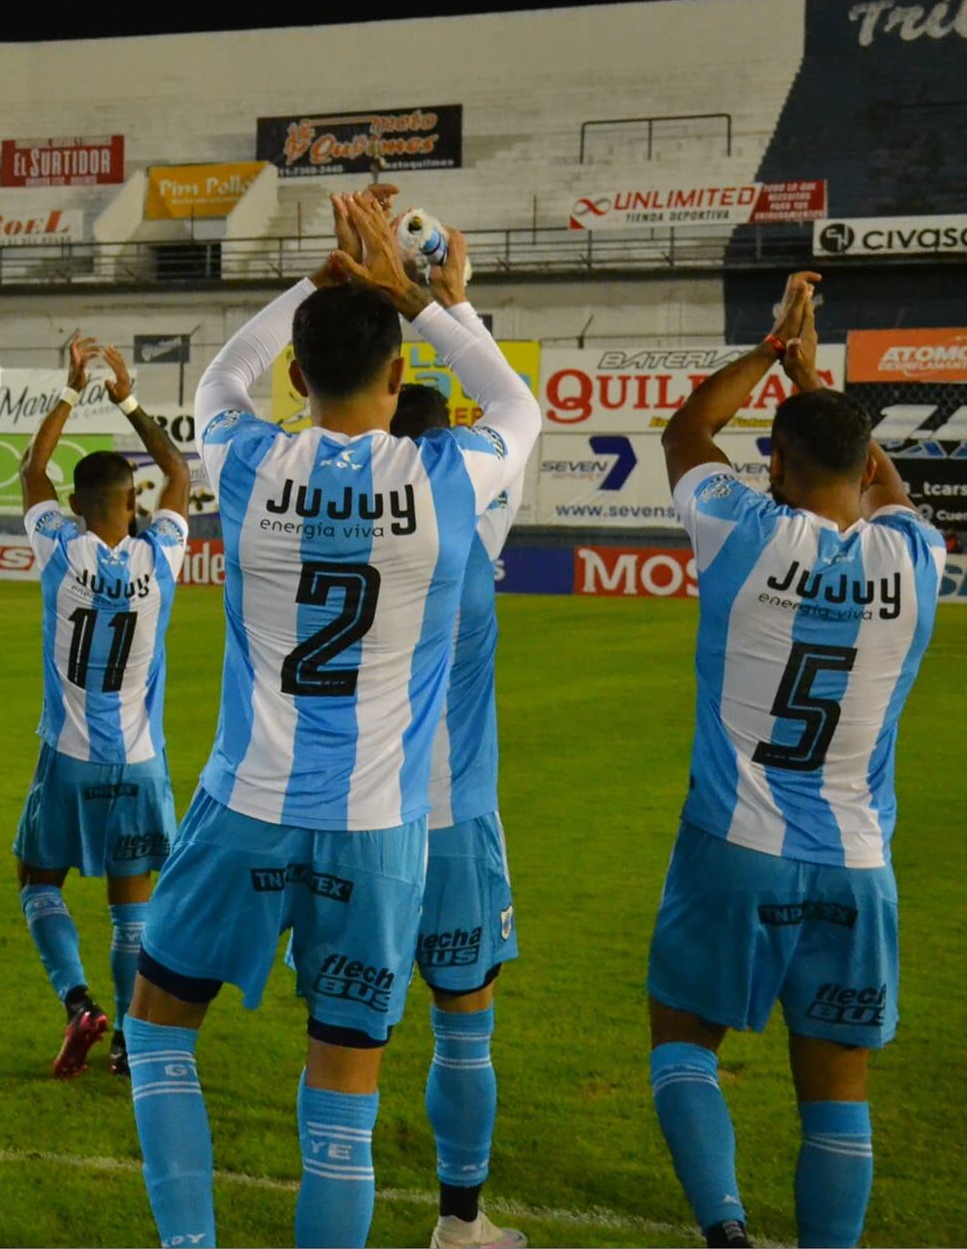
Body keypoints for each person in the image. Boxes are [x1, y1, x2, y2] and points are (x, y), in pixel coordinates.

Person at [126, 192, 541, 1249]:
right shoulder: (445, 478)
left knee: (158, 1031)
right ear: (399, 376)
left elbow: (220, 377)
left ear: (298, 380)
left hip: (243, 804)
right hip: (378, 826)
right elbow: (514, 406)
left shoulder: (251, 458)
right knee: (342, 1088)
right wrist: (429, 300)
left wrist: (312, 281)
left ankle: (187, 1242)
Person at [647, 274, 942, 1249]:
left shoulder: (743, 526)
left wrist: (775, 352)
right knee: (836, 1094)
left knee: (682, 1044)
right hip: (856, 861)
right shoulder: (917, 557)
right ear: (861, 466)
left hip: (732, 843)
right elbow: (883, 490)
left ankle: (723, 1231)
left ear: (771, 460)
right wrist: (823, 388)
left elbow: (686, 427)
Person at [386, 247, 526, 1249]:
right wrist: (448, 303)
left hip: (343, 813)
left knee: (341, 1031)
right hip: (451, 810)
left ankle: (330, 1204)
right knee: (461, 1019)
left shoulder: (321, 511)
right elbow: (517, 409)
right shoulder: (475, 507)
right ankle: (457, 1222)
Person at [15, 333, 191, 1079]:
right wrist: (126, 395)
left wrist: (68, 388)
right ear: (130, 500)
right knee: (133, 910)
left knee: (37, 879)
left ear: (80, 507)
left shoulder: (62, 551)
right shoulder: (161, 556)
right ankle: (127, 1041)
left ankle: (76, 999)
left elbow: (31, 471)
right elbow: (179, 470)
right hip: (141, 761)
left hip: (69, 758)